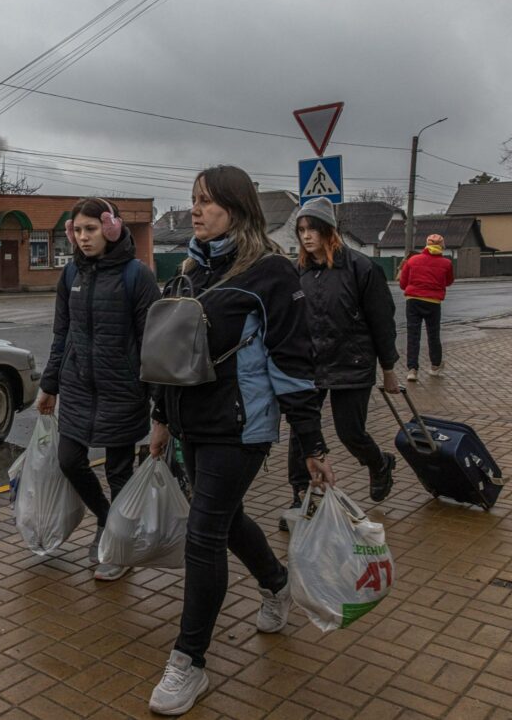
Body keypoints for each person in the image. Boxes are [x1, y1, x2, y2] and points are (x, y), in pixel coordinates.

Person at [146, 165, 332, 716]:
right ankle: (275, 582)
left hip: (240, 427)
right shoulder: (189, 272)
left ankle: (189, 661)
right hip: (190, 425)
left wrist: (313, 445)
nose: (196, 210)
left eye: (208, 201)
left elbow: (294, 365)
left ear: (239, 207)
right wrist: (160, 419)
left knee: (203, 532)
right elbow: (166, 358)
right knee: (222, 520)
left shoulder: (271, 273)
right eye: (194, 200)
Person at [37, 197, 160, 582]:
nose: (83, 237)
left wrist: (158, 401)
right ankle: (108, 521)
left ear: (111, 228)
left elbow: (152, 342)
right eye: (77, 230)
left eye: (91, 229)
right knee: (70, 459)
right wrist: (50, 383)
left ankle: (119, 550)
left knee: (120, 471)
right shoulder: (71, 274)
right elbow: (63, 333)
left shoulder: (136, 276)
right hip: (77, 388)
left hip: (122, 390)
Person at [278, 198, 400, 532]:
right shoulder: (298, 271)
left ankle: (379, 463)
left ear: (329, 231)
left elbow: (382, 322)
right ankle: (300, 495)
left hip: (352, 362)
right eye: (301, 230)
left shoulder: (361, 268)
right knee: (303, 433)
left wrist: (388, 367)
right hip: (311, 366)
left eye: (312, 228)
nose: (306, 236)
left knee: (350, 432)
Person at [399, 233, 454, 382]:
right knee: (433, 334)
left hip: (413, 301)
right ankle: (435, 366)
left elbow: (403, 283)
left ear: (426, 244)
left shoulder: (412, 260)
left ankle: (412, 369)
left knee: (413, 335)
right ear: (441, 246)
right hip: (433, 303)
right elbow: (448, 281)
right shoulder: (446, 263)